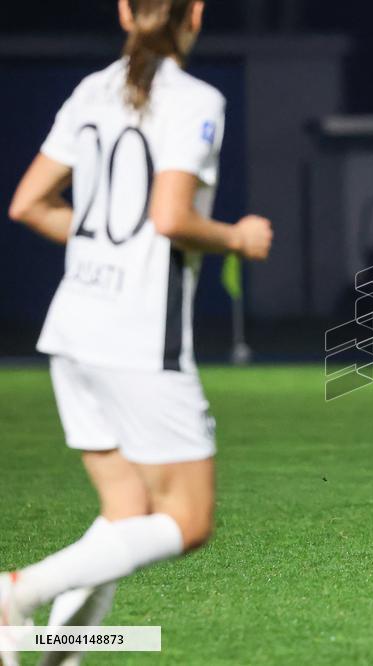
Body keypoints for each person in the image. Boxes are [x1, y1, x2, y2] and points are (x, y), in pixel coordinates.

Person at [1, 1, 272, 663]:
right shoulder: (194, 98)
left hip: (72, 329)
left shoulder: (90, 89)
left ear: (125, 11)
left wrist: (104, 244)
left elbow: (27, 204)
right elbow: (170, 216)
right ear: (197, 15)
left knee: (125, 519)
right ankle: (14, 594)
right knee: (188, 521)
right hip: (137, 338)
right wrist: (238, 236)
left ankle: (51, 657)